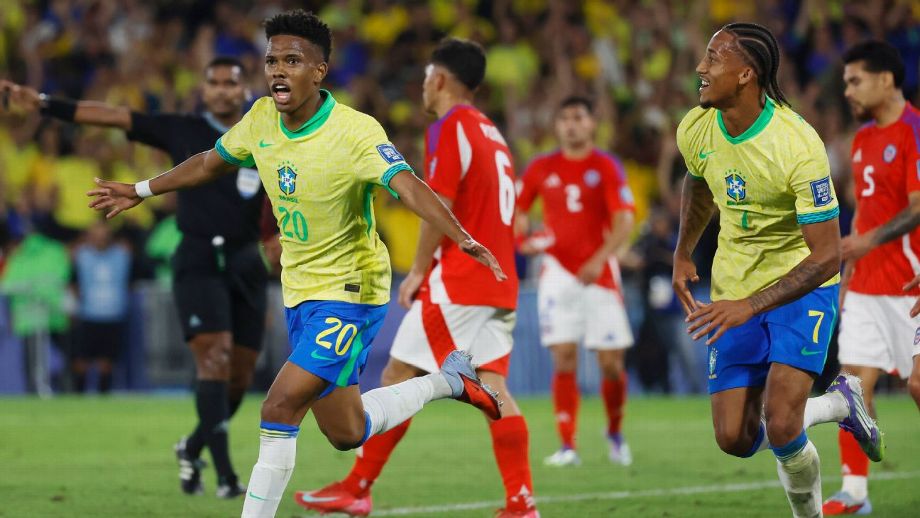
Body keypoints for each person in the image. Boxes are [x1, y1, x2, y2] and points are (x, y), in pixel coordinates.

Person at [86, 10, 504, 518]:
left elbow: (409, 184)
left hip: (351, 292)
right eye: (271, 61)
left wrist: (460, 237)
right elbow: (210, 161)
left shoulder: (355, 132)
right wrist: (141, 189)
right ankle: (449, 382)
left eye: (292, 60)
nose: (278, 70)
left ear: (319, 71)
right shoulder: (261, 117)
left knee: (279, 406)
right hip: (301, 292)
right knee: (346, 432)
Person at [2, 56, 268, 498]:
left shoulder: (263, 132)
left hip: (245, 262)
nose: (222, 90)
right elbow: (112, 115)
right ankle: (225, 476)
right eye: (214, 82)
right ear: (203, 90)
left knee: (239, 377)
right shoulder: (181, 129)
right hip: (197, 258)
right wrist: (45, 104)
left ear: (244, 90)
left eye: (231, 83)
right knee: (215, 359)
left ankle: (191, 446)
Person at [295, 38, 537, 518]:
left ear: (441, 79)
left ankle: (358, 486)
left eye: (427, 77)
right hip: (499, 279)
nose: (424, 86)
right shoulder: (490, 130)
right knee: (493, 386)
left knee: (398, 373)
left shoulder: (451, 126)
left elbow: (436, 203)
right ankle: (520, 501)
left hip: (462, 280)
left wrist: (421, 270)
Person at [672, 22, 883, 518]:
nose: (701, 69)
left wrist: (751, 306)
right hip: (733, 285)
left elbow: (828, 254)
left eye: (714, 58)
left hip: (801, 285)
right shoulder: (696, 127)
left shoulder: (797, 144)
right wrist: (684, 250)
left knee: (783, 422)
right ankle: (838, 405)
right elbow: (698, 180)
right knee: (733, 437)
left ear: (747, 73)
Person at [825, 40, 920, 515]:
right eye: (845, 82)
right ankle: (855, 494)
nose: (847, 91)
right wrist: (848, 274)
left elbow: (918, 207)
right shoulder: (861, 141)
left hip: (912, 284)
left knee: (919, 386)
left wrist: (867, 242)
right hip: (865, 286)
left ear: (886, 79)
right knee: (851, 389)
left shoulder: (915, 132)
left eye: (855, 80)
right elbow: (863, 214)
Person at [515, 96, 636, 467]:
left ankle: (615, 433)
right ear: (556, 125)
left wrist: (600, 259)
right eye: (564, 118)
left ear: (591, 124)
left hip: (599, 275)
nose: (571, 124)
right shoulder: (540, 167)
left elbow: (624, 221)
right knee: (564, 359)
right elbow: (518, 211)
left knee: (611, 364)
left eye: (578, 117)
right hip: (557, 274)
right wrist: (524, 241)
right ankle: (568, 446)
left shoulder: (606, 166)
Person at [72, 219, 132, 393]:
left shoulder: (122, 255)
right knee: (81, 361)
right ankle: (78, 397)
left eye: (103, 236)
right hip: (88, 314)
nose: (100, 239)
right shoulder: (81, 255)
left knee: (106, 362)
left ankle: (102, 397)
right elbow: (73, 282)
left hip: (113, 314)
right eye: (96, 236)